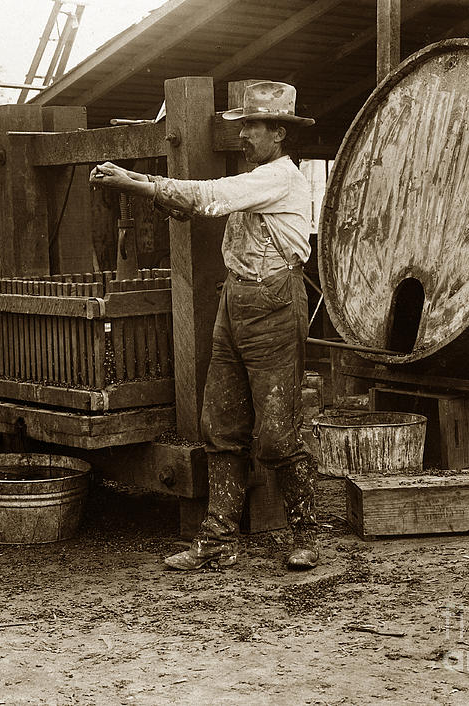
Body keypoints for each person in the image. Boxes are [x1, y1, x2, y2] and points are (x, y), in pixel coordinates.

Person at [90, 81, 320, 571]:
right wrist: (159, 195)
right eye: (244, 126)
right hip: (235, 303)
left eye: (253, 127)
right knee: (220, 427)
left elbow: (211, 198)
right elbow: (200, 203)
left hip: (275, 304)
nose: (244, 135)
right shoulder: (256, 176)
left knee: (278, 436)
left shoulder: (278, 177)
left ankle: (305, 535)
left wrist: (134, 180)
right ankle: (217, 540)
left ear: (278, 133)